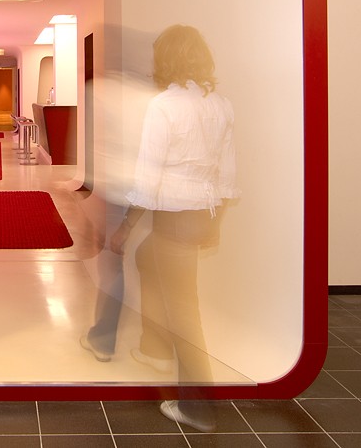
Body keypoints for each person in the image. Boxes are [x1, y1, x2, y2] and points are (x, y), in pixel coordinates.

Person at [110, 24, 239, 432]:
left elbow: (148, 177)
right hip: (202, 214)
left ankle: (198, 407)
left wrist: (125, 226)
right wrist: (216, 222)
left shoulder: (164, 106)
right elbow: (227, 175)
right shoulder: (221, 105)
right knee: (148, 258)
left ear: (166, 59)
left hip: (176, 219)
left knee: (184, 313)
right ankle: (154, 347)